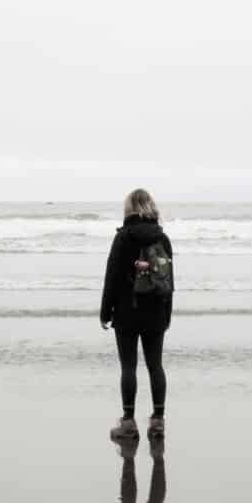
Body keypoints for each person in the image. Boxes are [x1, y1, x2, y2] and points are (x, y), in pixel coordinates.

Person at [99, 188, 174, 440]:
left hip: (126, 312)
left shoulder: (124, 238)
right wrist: (167, 314)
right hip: (156, 313)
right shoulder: (162, 239)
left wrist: (105, 312)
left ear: (129, 208)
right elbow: (169, 281)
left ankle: (129, 423)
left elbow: (112, 277)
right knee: (155, 366)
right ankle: (158, 422)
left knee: (128, 366)